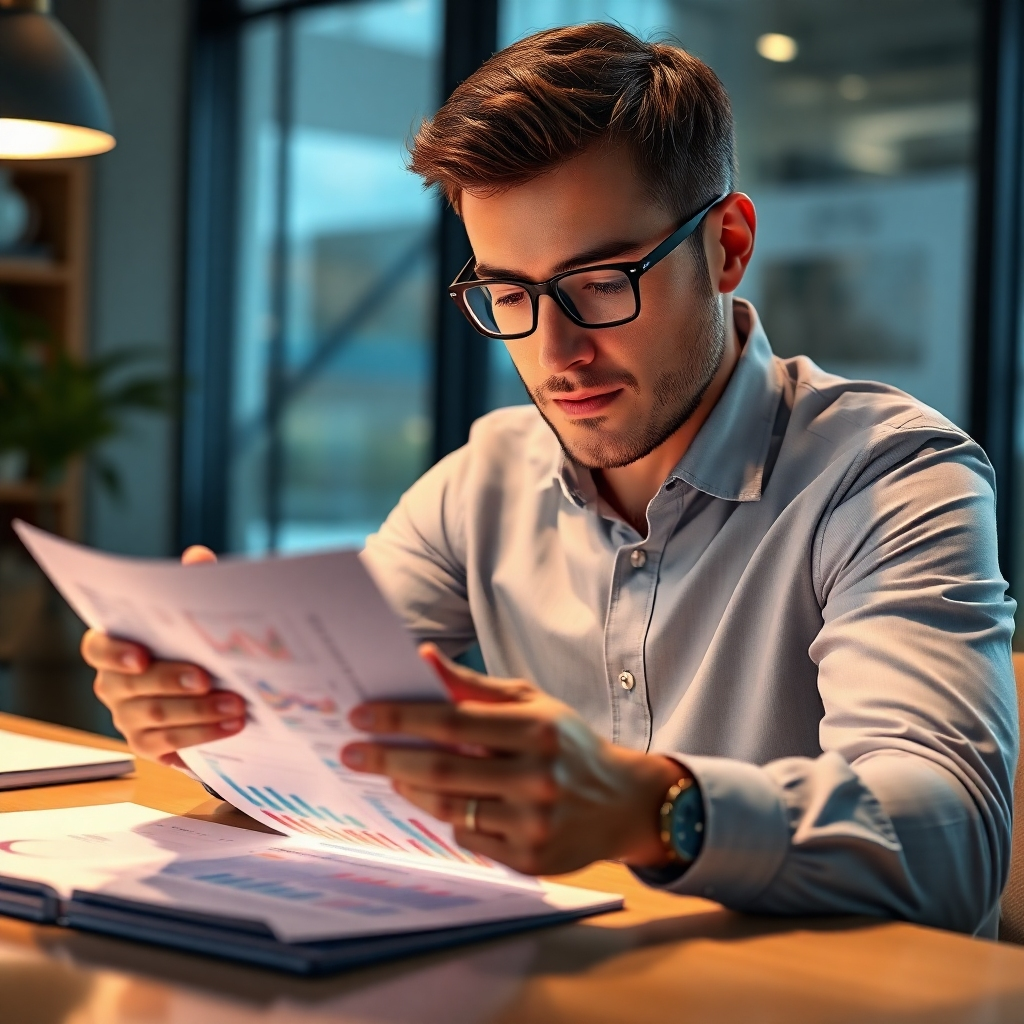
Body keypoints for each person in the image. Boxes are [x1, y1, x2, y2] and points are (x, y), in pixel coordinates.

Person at [81, 23, 1017, 936]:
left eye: (603, 280)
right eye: (511, 295)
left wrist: (647, 808)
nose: (554, 351)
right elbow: (333, 731)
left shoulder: (891, 477)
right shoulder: (481, 482)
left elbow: (955, 840)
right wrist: (215, 716)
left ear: (727, 245)